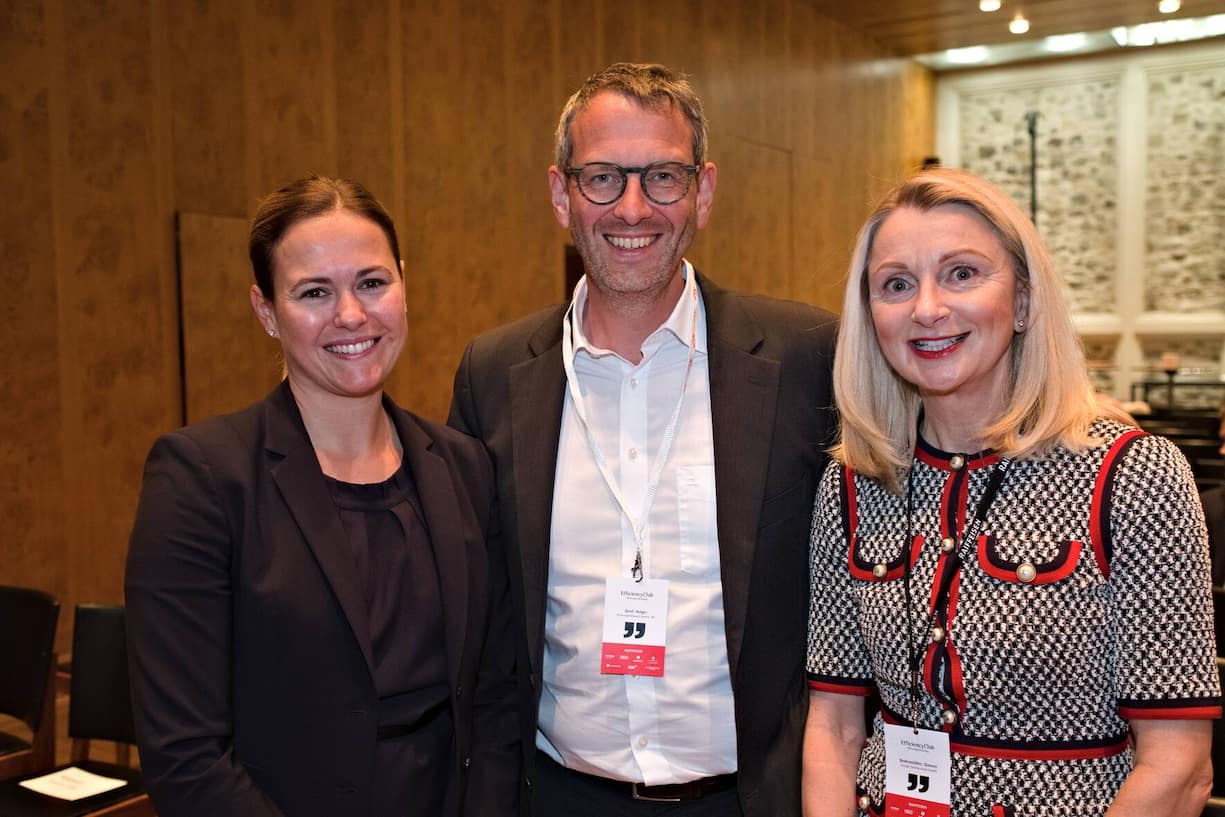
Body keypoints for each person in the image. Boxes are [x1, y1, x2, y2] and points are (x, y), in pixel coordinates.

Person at [448, 63, 837, 817]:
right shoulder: (492, 374)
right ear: (560, 193)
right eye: (601, 177)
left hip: (749, 799)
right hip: (558, 796)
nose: (632, 208)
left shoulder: (803, 357)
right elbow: (482, 619)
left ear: (704, 191)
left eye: (662, 176)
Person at [803, 167, 1220, 817]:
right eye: (895, 284)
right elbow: (832, 726)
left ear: (1022, 301)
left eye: (961, 273)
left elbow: (1178, 765)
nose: (927, 307)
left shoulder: (1131, 476)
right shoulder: (852, 483)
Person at [125, 176, 518, 817]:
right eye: (314, 292)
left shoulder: (464, 468)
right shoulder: (201, 481)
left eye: (371, 282)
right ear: (265, 311)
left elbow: (497, 698)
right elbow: (186, 756)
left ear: (403, 283)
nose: (351, 315)